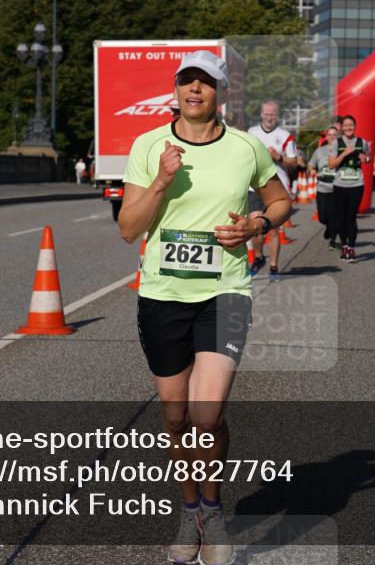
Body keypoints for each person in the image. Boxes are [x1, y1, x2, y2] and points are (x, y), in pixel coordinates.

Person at [118, 50, 291, 565]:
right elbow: (129, 228)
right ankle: (188, 507)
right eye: (186, 82)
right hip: (163, 295)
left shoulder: (245, 147)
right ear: (176, 90)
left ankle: (212, 511)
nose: (195, 90)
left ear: (221, 93)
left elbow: (281, 201)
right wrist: (160, 181)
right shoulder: (149, 145)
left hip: (226, 291)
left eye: (206, 83)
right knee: (176, 420)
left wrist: (257, 225)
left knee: (206, 413)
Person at [247, 100, 298, 280]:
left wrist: (278, 157)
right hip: (254, 186)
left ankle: (274, 267)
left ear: (277, 115)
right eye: (266, 113)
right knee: (254, 226)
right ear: (261, 114)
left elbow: (294, 161)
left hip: (277, 188)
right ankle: (259, 257)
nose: (269, 117)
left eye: (273, 114)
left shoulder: (284, 135)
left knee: (273, 230)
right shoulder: (251, 133)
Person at [327, 115, 370, 262]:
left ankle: (351, 248)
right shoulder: (336, 143)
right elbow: (331, 164)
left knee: (351, 217)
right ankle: (344, 245)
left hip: (356, 184)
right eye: (346, 125)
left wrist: (366, 159)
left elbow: (369, 157)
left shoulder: (362, 142)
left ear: (355, 126)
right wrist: (344, 153)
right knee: (341, 218)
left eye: (351, 125)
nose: (348, 128)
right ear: (342, 127)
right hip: (339, 185)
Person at [310, 127, 339, 248]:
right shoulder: (319, 151)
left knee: (334, 215)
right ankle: (328, 226)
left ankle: (333, 240)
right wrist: (311, 170)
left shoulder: (341, 151)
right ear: (326, 137)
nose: (332, 136)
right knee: (322, 216)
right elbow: (311, 164)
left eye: (334, 134)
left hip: (337, 187)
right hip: (322, 186)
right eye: (330, 134)